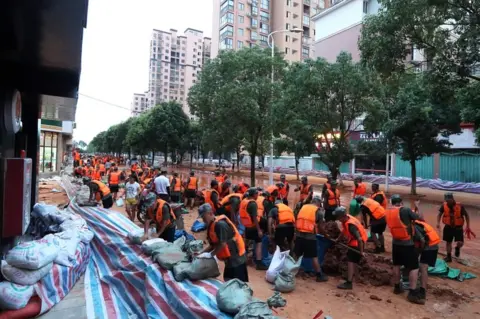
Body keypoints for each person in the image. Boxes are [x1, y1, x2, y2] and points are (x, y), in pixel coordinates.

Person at [385, 194, 423, 304]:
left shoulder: (388, 211)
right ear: (401, 202)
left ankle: (397, 287)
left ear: (392, 202)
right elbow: (419, 217)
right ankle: (412, 293)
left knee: (396, 265)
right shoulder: (405, 210)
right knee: (414, 267)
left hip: (395, 243)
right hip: (407, 243)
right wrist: (417, 206)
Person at [197, 204, 248, 282]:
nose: (203, 220)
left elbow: (222, 244)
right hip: (229, 259)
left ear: (210, 213)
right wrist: (201, 253)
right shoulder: (212, 224)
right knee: (228, 279)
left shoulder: (220, 225)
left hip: (237, 258)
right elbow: (213, 244)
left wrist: (210, 254)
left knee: (238, 282)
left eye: (204, 217)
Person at [294, 195, 329, 282]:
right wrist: (326, 235)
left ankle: (292, 272)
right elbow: (321, 227)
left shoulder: (303, 207)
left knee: (296, 255)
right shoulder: (318, 212)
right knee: (314, 256)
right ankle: (319, 275)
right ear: (318, 203)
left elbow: (297, 219)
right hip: (310, 237)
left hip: (298, 235)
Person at [333, 207, 367, 290]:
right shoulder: (347, 219)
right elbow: (344, 231)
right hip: (357, 242)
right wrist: (338, 239)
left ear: (342, 216)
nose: (337, 219)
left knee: (350, 262)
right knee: (354, 262)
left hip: (357, 244)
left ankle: (349, 283)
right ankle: (357, 278)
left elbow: (359, 239)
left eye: (338, 217)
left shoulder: (351, 225)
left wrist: (361, 252)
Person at [436, 192, 471, 262]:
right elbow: (439, 214)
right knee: (448, 242)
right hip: (448, 227)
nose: (447, 201)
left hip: (458, 227)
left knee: (460, 243)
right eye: (446, 200)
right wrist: (438, 223)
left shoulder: (460, 206)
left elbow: (466, 216)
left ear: (452, 199)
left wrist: (468, 226)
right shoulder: (444, 205)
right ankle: (449, 257)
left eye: (448, 200)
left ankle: (457, 248)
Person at [239, 188, 267, 270]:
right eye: (257, 194)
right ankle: (259, 263)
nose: (258, 195)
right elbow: (254, 218)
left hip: (246, 226)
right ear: (254, 194)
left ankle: (243, 260)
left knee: (246, 243)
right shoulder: (253, 204)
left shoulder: (244, 201)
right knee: (259, 243)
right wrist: (259, 230)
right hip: (253, 226)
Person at [413, 219, 440, 304]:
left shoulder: (415, 227)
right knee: (423, 266)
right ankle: (421, 286)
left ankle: (422, 291)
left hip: (429, 246)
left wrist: (418, 252)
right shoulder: (419, 223)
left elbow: (422, 241)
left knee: (423, 266)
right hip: (434, 244)